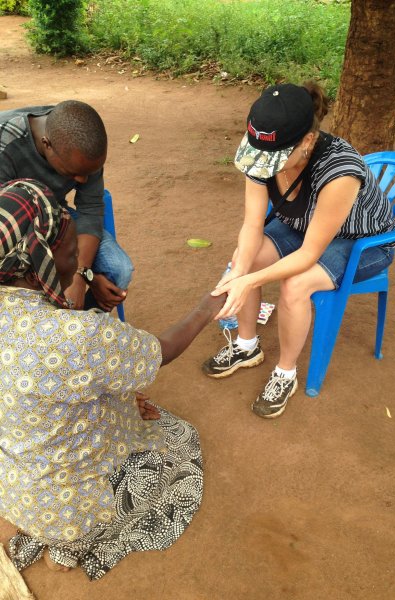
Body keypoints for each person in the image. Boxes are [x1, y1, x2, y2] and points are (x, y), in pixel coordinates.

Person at [0, 179, 225, 580]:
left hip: (13, 490)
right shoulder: (78, 337)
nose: (81, 263)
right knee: (176, 443)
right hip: (72, 505)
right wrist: (207, 307)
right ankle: (75, 543)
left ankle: (52, 531)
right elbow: (161, 350)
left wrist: (119, 397)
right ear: (41, 260)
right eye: (73, 252)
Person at [202, 82, 395, 419]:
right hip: (303, 224)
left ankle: (286, 373)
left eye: (273, 159)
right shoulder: (261, 148)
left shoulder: (339, 172)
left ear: (307, 141)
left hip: (362, 240)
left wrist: (248, 281)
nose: (262, 165)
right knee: (244, 260)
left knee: (296, 284)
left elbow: (308, 255)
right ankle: (246, 347)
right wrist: (241, 270)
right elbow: (252, 225)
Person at [0, 100, 133, 312]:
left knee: (119, 270)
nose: (81, 180)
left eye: (88, 173)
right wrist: (75, 278)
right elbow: (9, 242)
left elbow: (91, 209)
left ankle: (84, 331)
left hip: (55, 213)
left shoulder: (83, 141)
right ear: (47, 144)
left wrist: (81, 275)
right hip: (12, 230)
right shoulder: (5, 144)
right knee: (34, 288)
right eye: (72, 173)